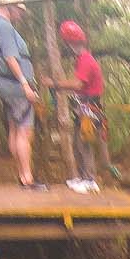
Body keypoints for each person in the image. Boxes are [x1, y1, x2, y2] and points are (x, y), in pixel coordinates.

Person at [0, 0, 43, 190]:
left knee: (14, 128)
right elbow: (11, 57)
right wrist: (25, 83)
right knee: (24, 132)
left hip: (6, 85)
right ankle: (27, 177)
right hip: (15, 86)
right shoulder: (4, 26)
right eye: (18, 10)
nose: (20, 14)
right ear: (8, 7)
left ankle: (22, 174)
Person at [47, 19, 105, 193]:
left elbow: (78, 84)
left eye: (68, 42)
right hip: (84, 107)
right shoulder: (81, 59)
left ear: (72, 42)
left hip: (90, 107)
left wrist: (55, 84)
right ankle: (83, 176)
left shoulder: (86, 60)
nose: (67, 46)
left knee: (84, 142)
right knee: (78, 142)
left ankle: (89, 179)